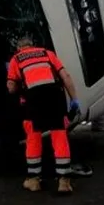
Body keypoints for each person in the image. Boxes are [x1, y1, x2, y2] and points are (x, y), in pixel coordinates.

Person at [6, 36, 80, 193]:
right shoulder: (47, 53)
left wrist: (15, 86)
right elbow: (65, 76)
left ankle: (33, 181)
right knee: (59, 137)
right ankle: (64, 182)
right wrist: (74, 100)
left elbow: (11, 87)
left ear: (19, 48)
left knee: (33, 138)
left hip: (32, 101)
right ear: (33, 45)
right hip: (54, 98)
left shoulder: (16, 59)